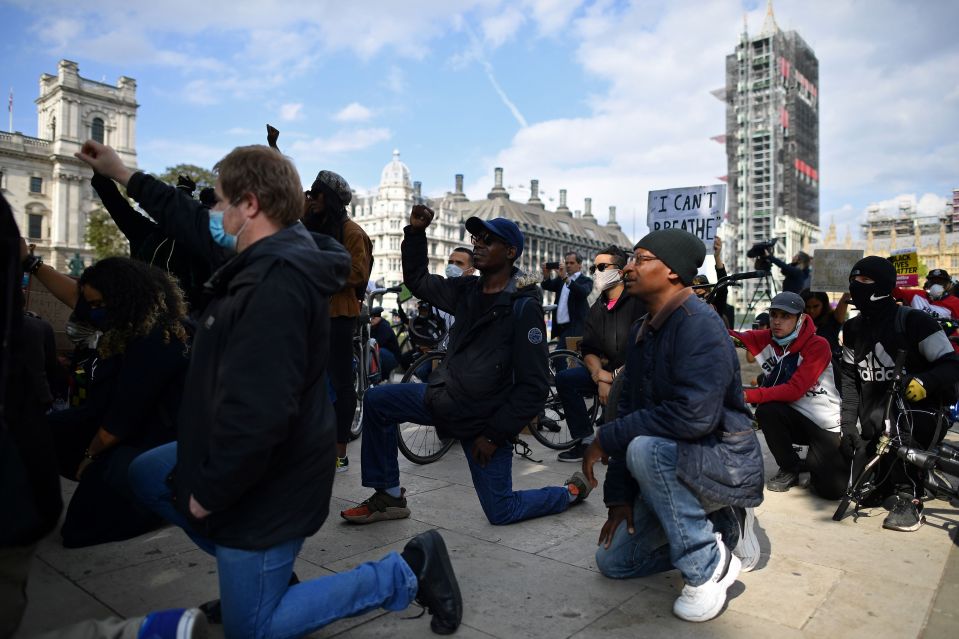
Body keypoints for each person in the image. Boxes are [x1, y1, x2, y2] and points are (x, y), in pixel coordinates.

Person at [73, 141, 462, 638]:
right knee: (149, 472)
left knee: (252, 628)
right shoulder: (265, 246)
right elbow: (187, 220)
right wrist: (123, 174)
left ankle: (404, 572)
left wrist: (209, 495)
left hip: (272, 476)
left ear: (250, 207)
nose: (211, 212)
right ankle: (264, 578)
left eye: (219, 201)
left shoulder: (274, 285)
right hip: (248, 448)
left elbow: (262, 416)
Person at [342, 206, 591, 527]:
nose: (478, 244)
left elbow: (535, 385)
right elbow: (418, 280)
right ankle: (389, 495)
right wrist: (415, 233)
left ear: (511, 252)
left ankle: (569, 491)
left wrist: (493, 434)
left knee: (501, 510)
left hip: (484, 421)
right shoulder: (467, 291)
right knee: (378, 402)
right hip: (445, 400)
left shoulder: (523, 308)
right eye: (477, 238)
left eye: (489, 240)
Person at [584, 228, 763, 623]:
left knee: (642, 447)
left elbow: (693, 416)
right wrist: (620, 499)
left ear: (673, 272)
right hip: (679, 458)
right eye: (629, 259)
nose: (628, 268)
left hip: (721, 460)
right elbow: (627, 411)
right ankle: (722, 533)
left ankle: (707, 564)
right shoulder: (643, 329)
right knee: (613, 562)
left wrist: (607, 438)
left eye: (640, 259)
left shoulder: (699, 324)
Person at [20, 243, 190, 548]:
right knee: (32, 432)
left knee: (81, 530)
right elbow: (75, 297)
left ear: (122, 300)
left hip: (147, 441)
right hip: (116, 427)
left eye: (98, 305)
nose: (92, 312)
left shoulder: (157, 339)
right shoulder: (122, 319)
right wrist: (31, 264)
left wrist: (88, 457)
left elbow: (118, 423)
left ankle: (161, 501)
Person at [840, 256, 959, 532]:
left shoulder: (915, 322)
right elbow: (849, 380)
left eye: (865, 281)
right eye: (853, 281)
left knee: (899, 426)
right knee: (836, 480)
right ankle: (884, 485)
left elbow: (952, 364)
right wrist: (848, 423)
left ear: (884, 285)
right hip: (875, 419)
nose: (857, 286)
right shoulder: (852, 329)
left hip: (918, 415)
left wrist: (925, 381)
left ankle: (911, 498)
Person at [730, 292, 846, 499]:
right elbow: (732, 337)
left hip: (824, 423)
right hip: (791, 416)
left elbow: (794, 390)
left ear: (800, 319)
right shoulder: (768, 338)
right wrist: (705, 316)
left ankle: (812, 462)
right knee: (767, 411)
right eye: (774, 315)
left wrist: (747, 396)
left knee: (831, 492)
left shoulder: (817, 344)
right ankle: (790, 468)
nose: (776, 321)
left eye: (785, 316)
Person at [303, 170, 373, 473]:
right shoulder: (309, 225)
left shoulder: (352, 232)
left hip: (337, 316)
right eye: (309, 194)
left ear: (328, 198)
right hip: (307, 313)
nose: (311, 199)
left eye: (316, 194)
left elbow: (359, 273)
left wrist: (323, 267)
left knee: (342, 383)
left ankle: (339, 452)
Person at [555, 246, 646, 462]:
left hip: (633, 376)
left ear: (621, 271)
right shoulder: (597, 307)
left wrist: (613, 378)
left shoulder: (639, 302)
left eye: (602, 267)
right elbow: (589, 349)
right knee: (566, 379)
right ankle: (585, 440)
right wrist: (599, 377)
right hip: (604, 374)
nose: (597, 272)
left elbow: (643, 351)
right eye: (594, 268)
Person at [542, 251, 592, 349]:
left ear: (580, 265)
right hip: (560, 327)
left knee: (558, 356)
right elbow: (547, 285)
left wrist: (565, 278)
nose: (568, 265)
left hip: (575, 327)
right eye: (566, 263)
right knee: (569, 360)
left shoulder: (586, 280)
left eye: (572, 263)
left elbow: (583, 292)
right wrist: (546, 275)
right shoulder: (560, 279)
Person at [691, 236, 732, 327]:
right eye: (694, 288)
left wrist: (717, 256)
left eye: (700, 287)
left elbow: (723, 286)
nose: (696, 291)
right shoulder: (687, 305)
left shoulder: (715, 305)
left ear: (708, 291)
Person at [893, 268, 959, 319]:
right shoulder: (915, 295)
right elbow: (894, 291)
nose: (936, 285)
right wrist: (890, 271)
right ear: (927, 284)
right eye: (933, 282)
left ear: (948, 285)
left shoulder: (956, 302)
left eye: (940, 282)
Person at [800, 290, 850, 357]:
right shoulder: (798, 321)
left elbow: (846, 298)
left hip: (829, 362)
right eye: (808, 307)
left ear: (824, 305)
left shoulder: (833, 319)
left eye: (816, 306)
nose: (811, 310)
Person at [370, 307, 401, 381]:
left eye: (373, 318)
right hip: (387, 355)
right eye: (371, 318)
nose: (371, 320)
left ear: (379, 317)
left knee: (377, 351)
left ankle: (377, 378)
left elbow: (379, 343)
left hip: (393, 358)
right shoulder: (374, 326)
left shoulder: (384, 326)